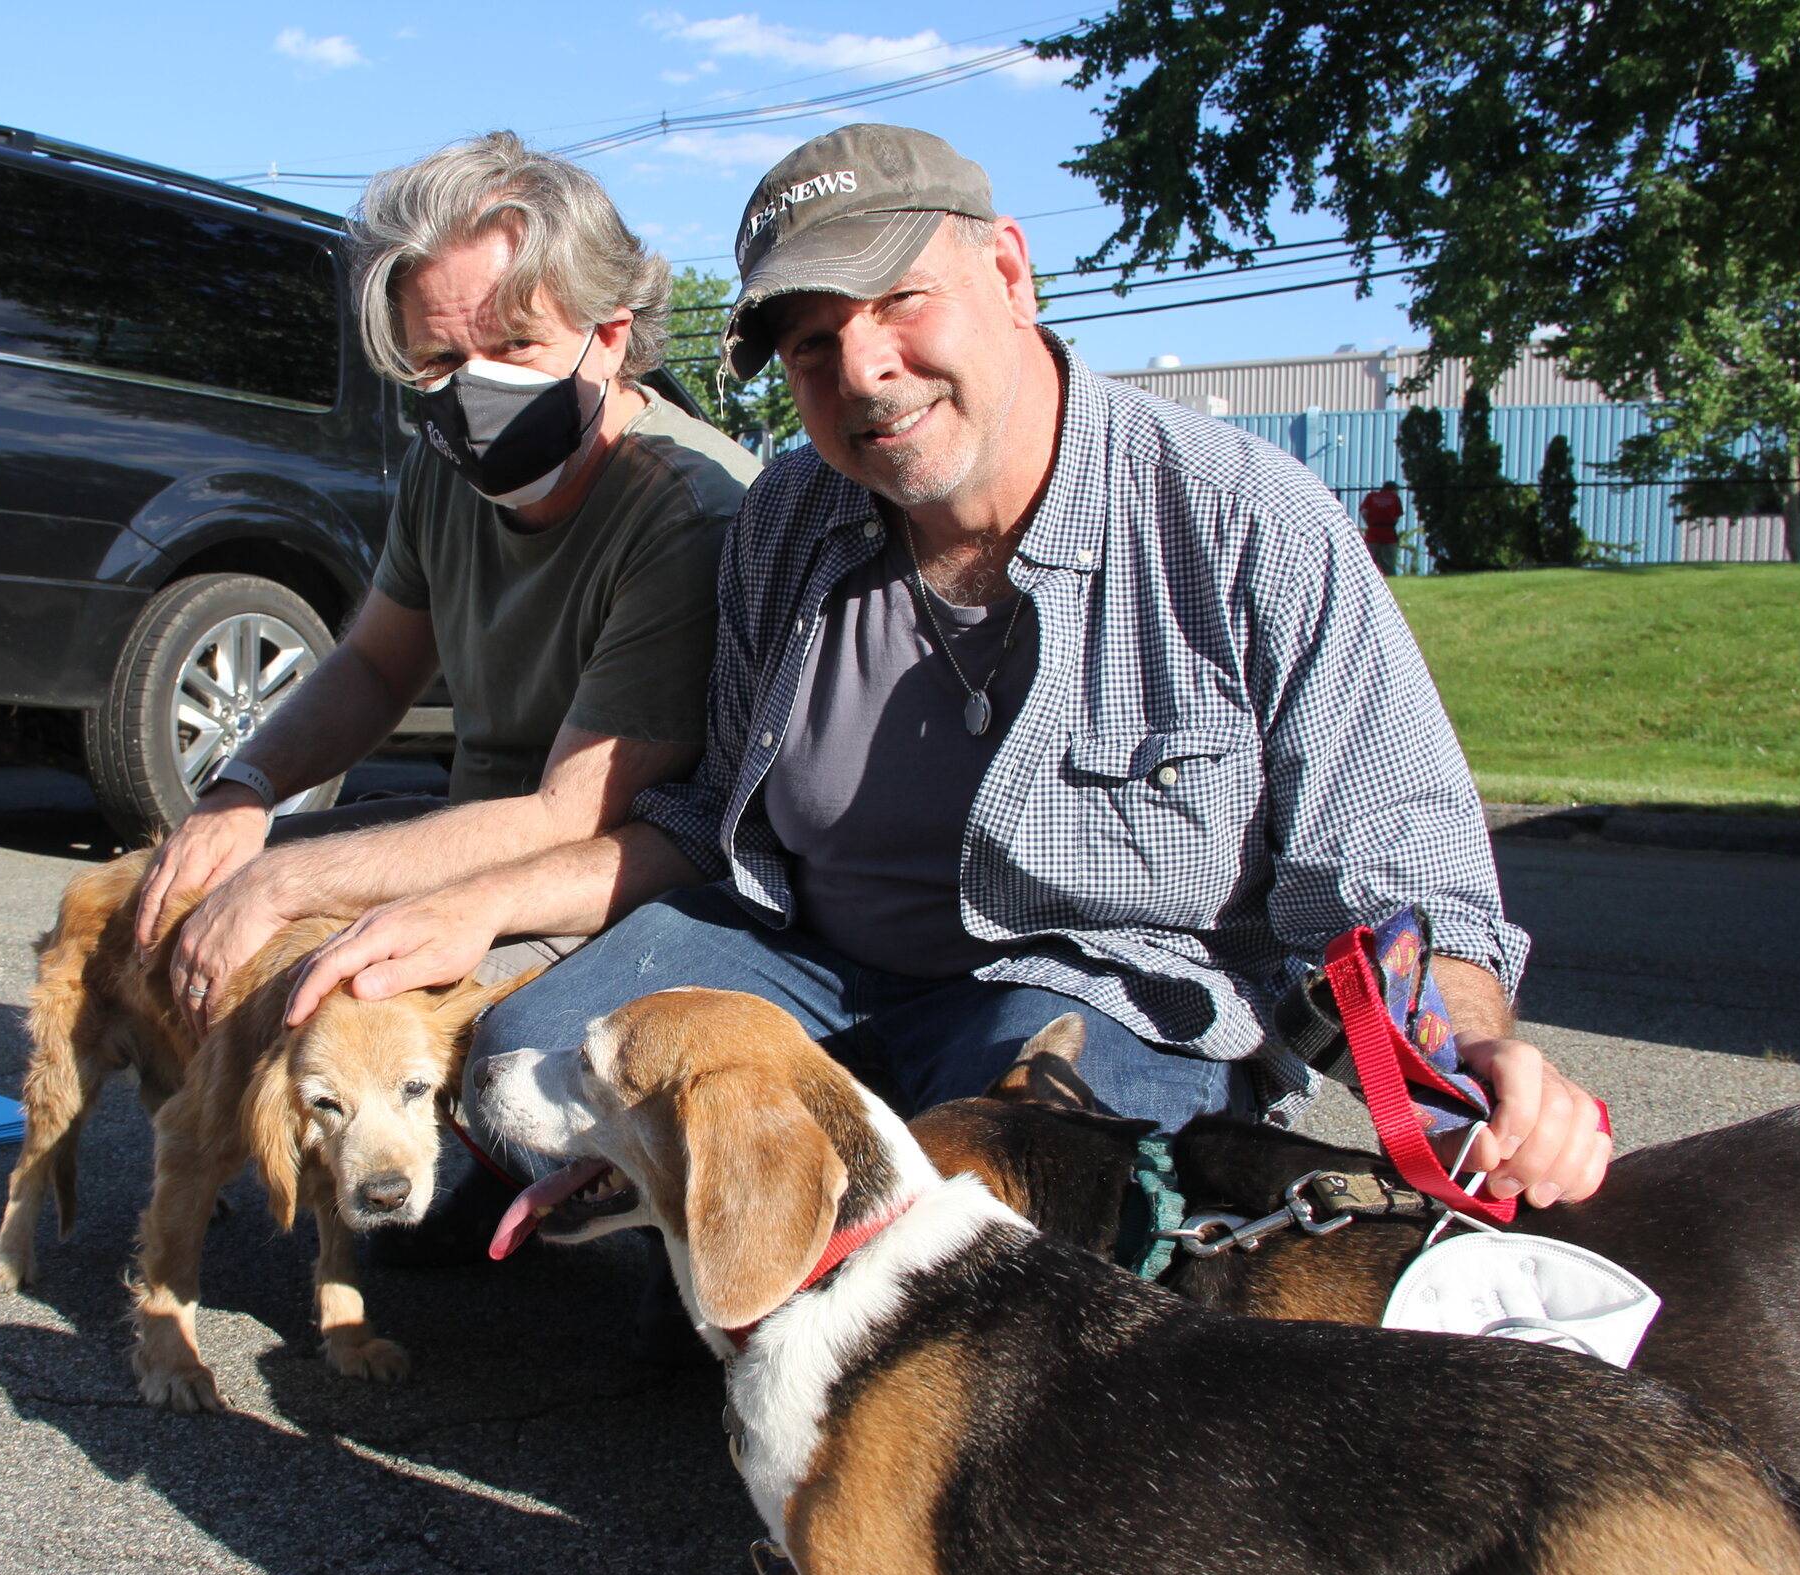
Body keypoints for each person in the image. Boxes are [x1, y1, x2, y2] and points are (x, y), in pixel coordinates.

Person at [285, 124, 1610, 1217]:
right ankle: (782, 1232)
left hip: (1084, 993)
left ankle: (816, 1239)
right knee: (522, 1066)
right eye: (809, 342)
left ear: (1012, 272)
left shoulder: (1251, 526)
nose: (861, 367)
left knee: (1006, 1172)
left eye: (896, 300)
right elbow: (702, 822)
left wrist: (1466, 1059)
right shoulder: (785, 527)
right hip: (807, 966)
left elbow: (1397, 881)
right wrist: (484, 905)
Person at [131, 132, 759, 1040]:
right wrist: (245, 788)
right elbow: (378, 668)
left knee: (348, 1016)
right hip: (472, 834)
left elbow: (566, 817)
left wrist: (289, 880)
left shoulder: (688, 516)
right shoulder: (448, 466)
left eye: (515, 343)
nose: (476, 396)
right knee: (182, 890)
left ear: (611, 336)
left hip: (597, 877)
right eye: (439, 362)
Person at [1359, 479, 1405, 575]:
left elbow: (1364, 512)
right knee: (1389, 560)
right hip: (1389, 531)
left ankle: (1368, 576)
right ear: (1394, 490)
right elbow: (1397, 516)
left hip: (1373, 530)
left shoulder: (1370, 496)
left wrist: (1370, 523)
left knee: (1369, 558)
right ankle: (1390, 578)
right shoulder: (1395, 498)